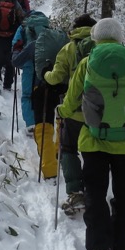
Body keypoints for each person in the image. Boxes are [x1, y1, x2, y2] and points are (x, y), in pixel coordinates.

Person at [56, 17, 125, 250]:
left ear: (95, 37)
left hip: (94, 140)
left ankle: (98, 247)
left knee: (95, 193)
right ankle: (121, 248)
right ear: (119, 37)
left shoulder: (87, 62)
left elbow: (73, 99)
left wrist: (62, 111)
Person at [43, 13, 97, 215]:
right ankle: (94, 190)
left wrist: (45, 73)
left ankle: (76, 191)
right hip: (101, 114)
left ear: (74, 29)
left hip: (75, 111)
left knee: (68, 149)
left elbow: (55, 78)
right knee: (94, 152)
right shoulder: (103, 49)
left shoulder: (68, 49)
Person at [11, 11, 59, 179]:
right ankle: (55, 145)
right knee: (49, 106)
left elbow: (15, 58)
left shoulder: (24, 30)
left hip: (30, 70)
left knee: (27, 96)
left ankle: (31, 125)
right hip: (51, 74)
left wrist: (17, 56)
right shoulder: (50, 31)